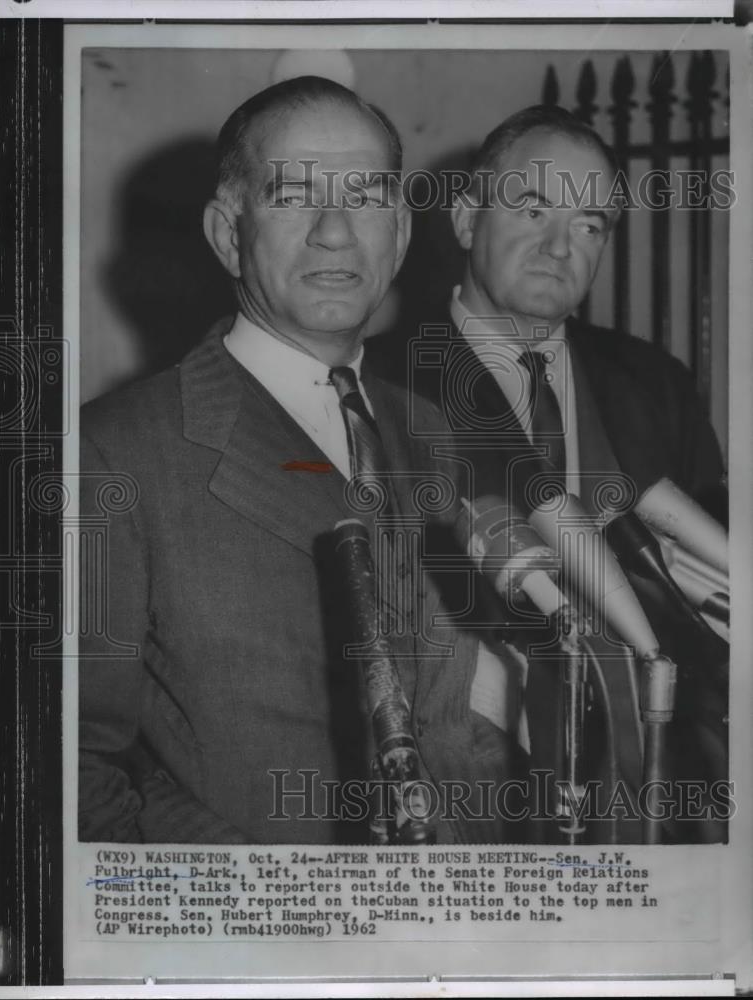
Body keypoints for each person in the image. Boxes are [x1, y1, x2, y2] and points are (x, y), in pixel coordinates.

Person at [78, 76, 527, 845]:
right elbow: (71, 770)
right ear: (227, 234)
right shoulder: (115, 450)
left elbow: (447, 708)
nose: (334, 230)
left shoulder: (428, 431)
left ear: (401, 233)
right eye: (292, 195)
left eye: (364, 195)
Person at [378, 104, 728, 842]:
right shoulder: (378, 380)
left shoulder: (654, 382)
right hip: (467, 797)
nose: (558, 246)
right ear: (468, 219)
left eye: (589, 224)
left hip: (652, 788)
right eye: (532, 209)